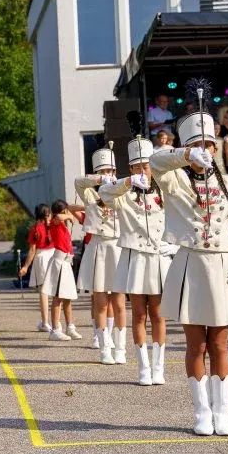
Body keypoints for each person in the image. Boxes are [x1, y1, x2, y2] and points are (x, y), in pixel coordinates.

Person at [150, 111, 228, 436]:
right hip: (190, 266)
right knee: (194, 345)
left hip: (224, 267)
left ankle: (223, 411)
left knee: (220, 345)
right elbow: (156, 161)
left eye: (209, 145)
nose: (206, 150)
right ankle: (201, 412)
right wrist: (186, 154)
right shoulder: (174, 180)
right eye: (199, 145)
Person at [100, 138, 175, 386]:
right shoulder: (124, 195)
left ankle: (158, 366)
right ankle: (143, 367)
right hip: (135, 258)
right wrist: (128, 182)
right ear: (131, 169)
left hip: (158, 257)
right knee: (139, 314)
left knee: (159, 315)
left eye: (146, 166)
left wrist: (173, 245)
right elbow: (104, 193)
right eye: (137, 167)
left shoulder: (163, 192)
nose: (143, 170)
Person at [76, 148, 127, 365]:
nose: (109, 173)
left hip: (117, 246)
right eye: (104, 170)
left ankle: (121, 347)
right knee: (100, 302)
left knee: (119, 302)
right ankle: (104, 346)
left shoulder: (122, 193)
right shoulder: (90, 195)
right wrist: (99, 178)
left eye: (111, 170)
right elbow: (79, 182)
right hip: (98, 246)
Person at [38, 200, 80, 340]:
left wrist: (74, 210)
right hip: (59, 262)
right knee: (58, 297)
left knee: (67, 298)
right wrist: (68, 216)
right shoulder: (56, 222)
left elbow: (72, 208)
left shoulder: (62, 224)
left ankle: (70, 327)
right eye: (66, 211)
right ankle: (55, 329)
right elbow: (58, 217)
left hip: (66, 263)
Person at [19, 203, 55, 332]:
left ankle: (45, 322)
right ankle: (57, 322)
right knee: (56, 292)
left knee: (43, 293)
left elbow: (32, 250)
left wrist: (26, 266)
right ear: (49, 214)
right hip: (55, 257)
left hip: (41, 258)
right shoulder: (54, 226)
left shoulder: (35, 229)